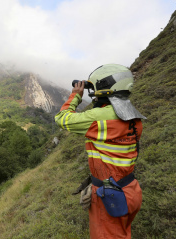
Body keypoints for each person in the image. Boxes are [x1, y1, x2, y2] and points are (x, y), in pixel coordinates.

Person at [54, 64, 146, 238]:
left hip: (109, 195)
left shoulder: (100, 118)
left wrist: (76, 95)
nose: (94, 93)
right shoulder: (134, 117)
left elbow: (62, 118)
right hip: (130, 189)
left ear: (105, 88)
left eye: (96, 89)